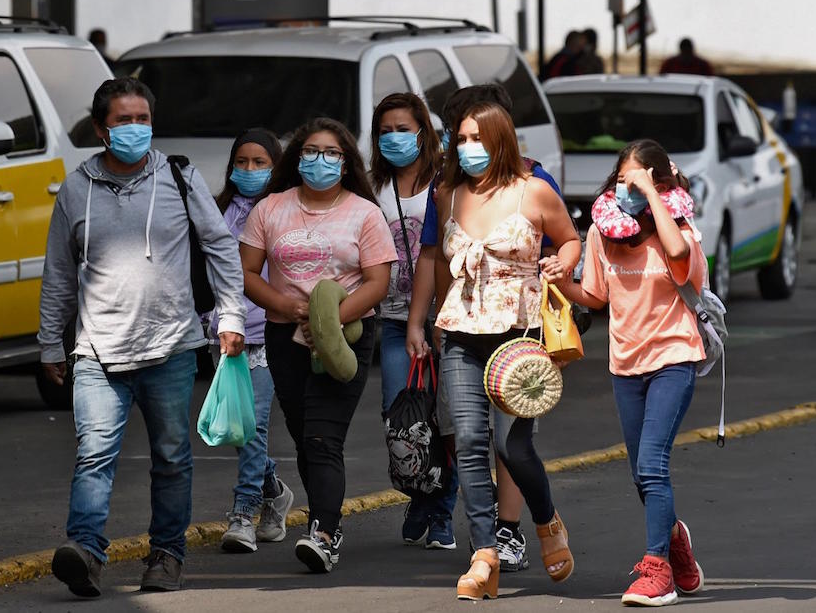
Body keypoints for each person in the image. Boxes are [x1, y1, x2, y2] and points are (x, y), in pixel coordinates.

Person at [39, 77, 246, 596]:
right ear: (100, 128)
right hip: (97, 351)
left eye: (143, 120)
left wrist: (231, 316)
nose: (135, 129)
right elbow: (59, 274)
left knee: (172, 458)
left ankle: (166, 555)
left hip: (170, 346)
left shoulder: (179, 177)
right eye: (123, 120)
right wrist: (48, 342)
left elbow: (219, 246)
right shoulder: (75, 188)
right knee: (93, 455)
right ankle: (85, 551)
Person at [406, 83, 577, 573]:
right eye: (460, 139)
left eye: (477, 138)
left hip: (520, 337)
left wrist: (560, 266)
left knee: (511, 445)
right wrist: (428, 320)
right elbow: (437, 259)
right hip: (461, 334)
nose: (466, 148)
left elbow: (569, 241)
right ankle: (484, 554)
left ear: (501, 139)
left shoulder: (534, 189)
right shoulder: (449, 194)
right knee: (467, 441)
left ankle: (546, 521)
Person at [549, 139, 706, 607]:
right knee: (641, 476)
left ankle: (657, 568)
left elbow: (680, 262)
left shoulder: (679, 231)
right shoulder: (603, 234)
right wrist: (563, 284)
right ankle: (677, 540)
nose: (627, 190)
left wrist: (654, 196)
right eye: (621, 181)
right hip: (625, 363)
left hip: (674, 357)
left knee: (652, 465)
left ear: (658, 184)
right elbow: (595, 297)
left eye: (636, 181)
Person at [238, 117, 397, 573]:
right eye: (311, 151)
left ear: (346, 163)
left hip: (346, 338)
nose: (320, 161)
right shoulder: (270, 209)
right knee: (304, 436)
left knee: (323, 436)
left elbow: (377, 281)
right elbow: (248, 273)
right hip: (284, 336)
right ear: (297, 157)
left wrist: (326, 320)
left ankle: (324, 533)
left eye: (331, 153)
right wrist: (291, 311)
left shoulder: (365, 214)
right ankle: (323, 521)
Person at [368, 92, 460, 549]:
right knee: (399, 419)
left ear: (423, 131)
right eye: (385, 131)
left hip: (448, 320)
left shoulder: (446, 183)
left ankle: (439, 511)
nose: (394, 138)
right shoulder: (371, 186)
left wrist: (436, 320)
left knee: (445, 421)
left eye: (403, 129)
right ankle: (420, 493)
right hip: (392, 319)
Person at [211, 128, 295, 552]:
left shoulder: (286, 210)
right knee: (237, 428)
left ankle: (243, 513)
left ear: (277, 167)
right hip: (226, 334)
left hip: (268, 333)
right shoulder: (217, 210)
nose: (249, 170)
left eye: (259, 163)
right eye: (241, 162)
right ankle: (274, 490)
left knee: (251, 425)